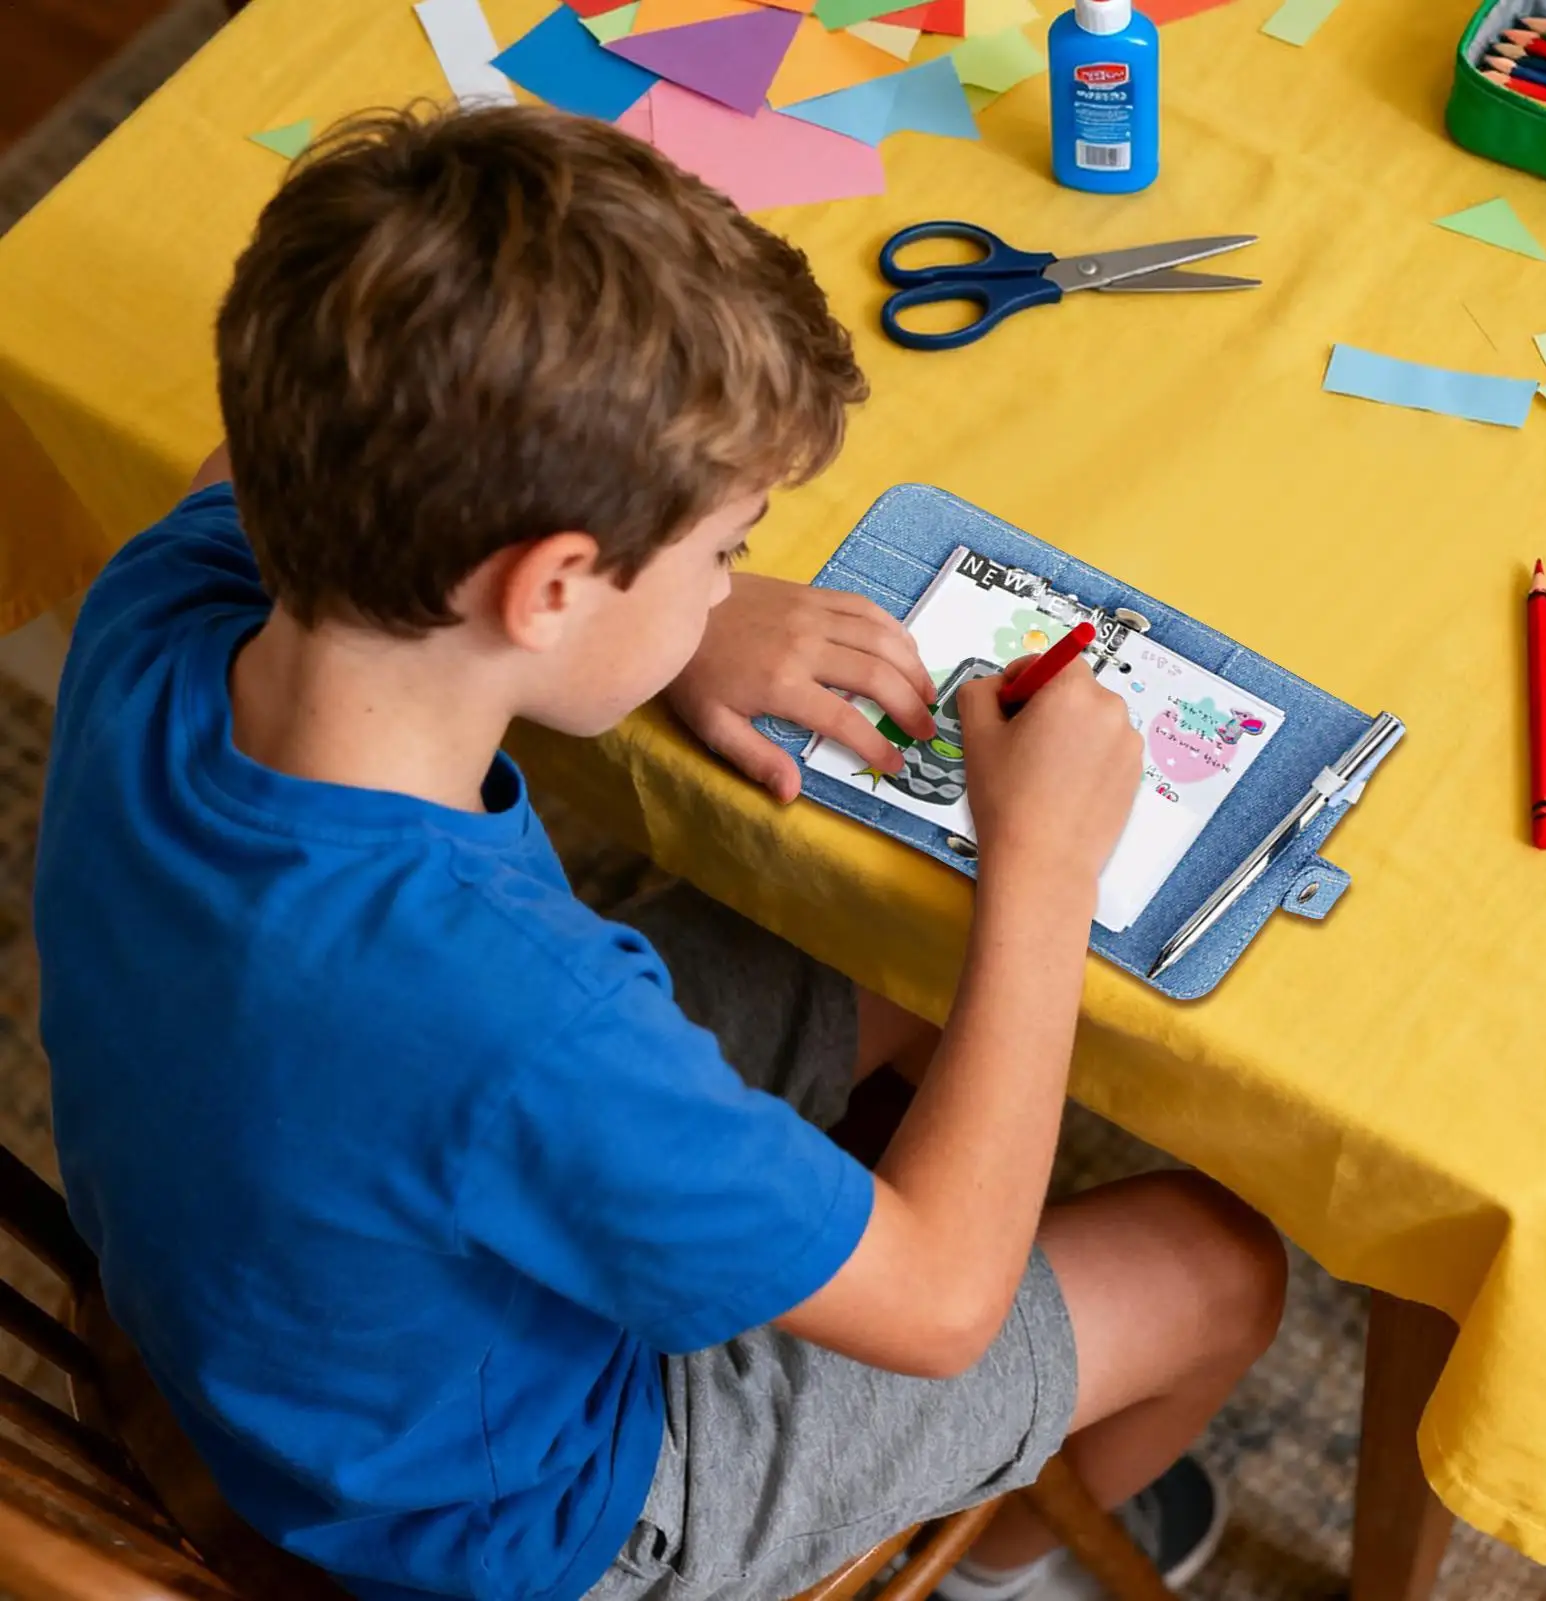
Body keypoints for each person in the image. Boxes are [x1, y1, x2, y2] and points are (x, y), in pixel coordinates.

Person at [35, 104, 1286, 1601]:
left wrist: (681, 620)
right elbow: (945, 1305)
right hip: (530, 1518)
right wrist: (1044, 870)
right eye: (724, 551)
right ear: (550, 588)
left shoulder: (165, 599)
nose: (727, 582)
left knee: (886, 935)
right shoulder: (527, 1021)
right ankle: (1007, 1568)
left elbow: (233, 461)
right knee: (1218, 1264)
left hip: (279, 1308)